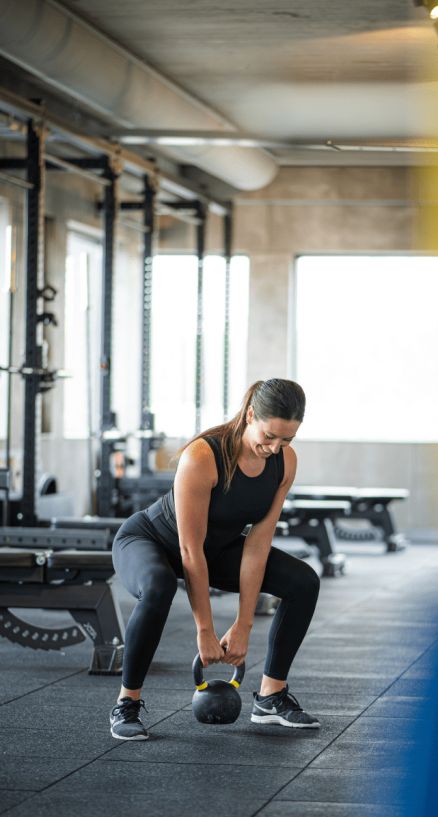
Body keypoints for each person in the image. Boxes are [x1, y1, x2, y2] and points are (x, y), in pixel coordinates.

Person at [110, 378, 321, 740]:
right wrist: (205, 631)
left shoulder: (285, 462)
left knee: (303, 581)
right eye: (269, 436)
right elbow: (190, 551)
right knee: (159, 586)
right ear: (251, 414)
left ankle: (271, 696)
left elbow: (257, 545)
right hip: (151, 541)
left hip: (217, 548)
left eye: (287, 439)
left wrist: (243, 624)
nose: (275, 447)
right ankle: (126, 703)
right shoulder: (203, 456)